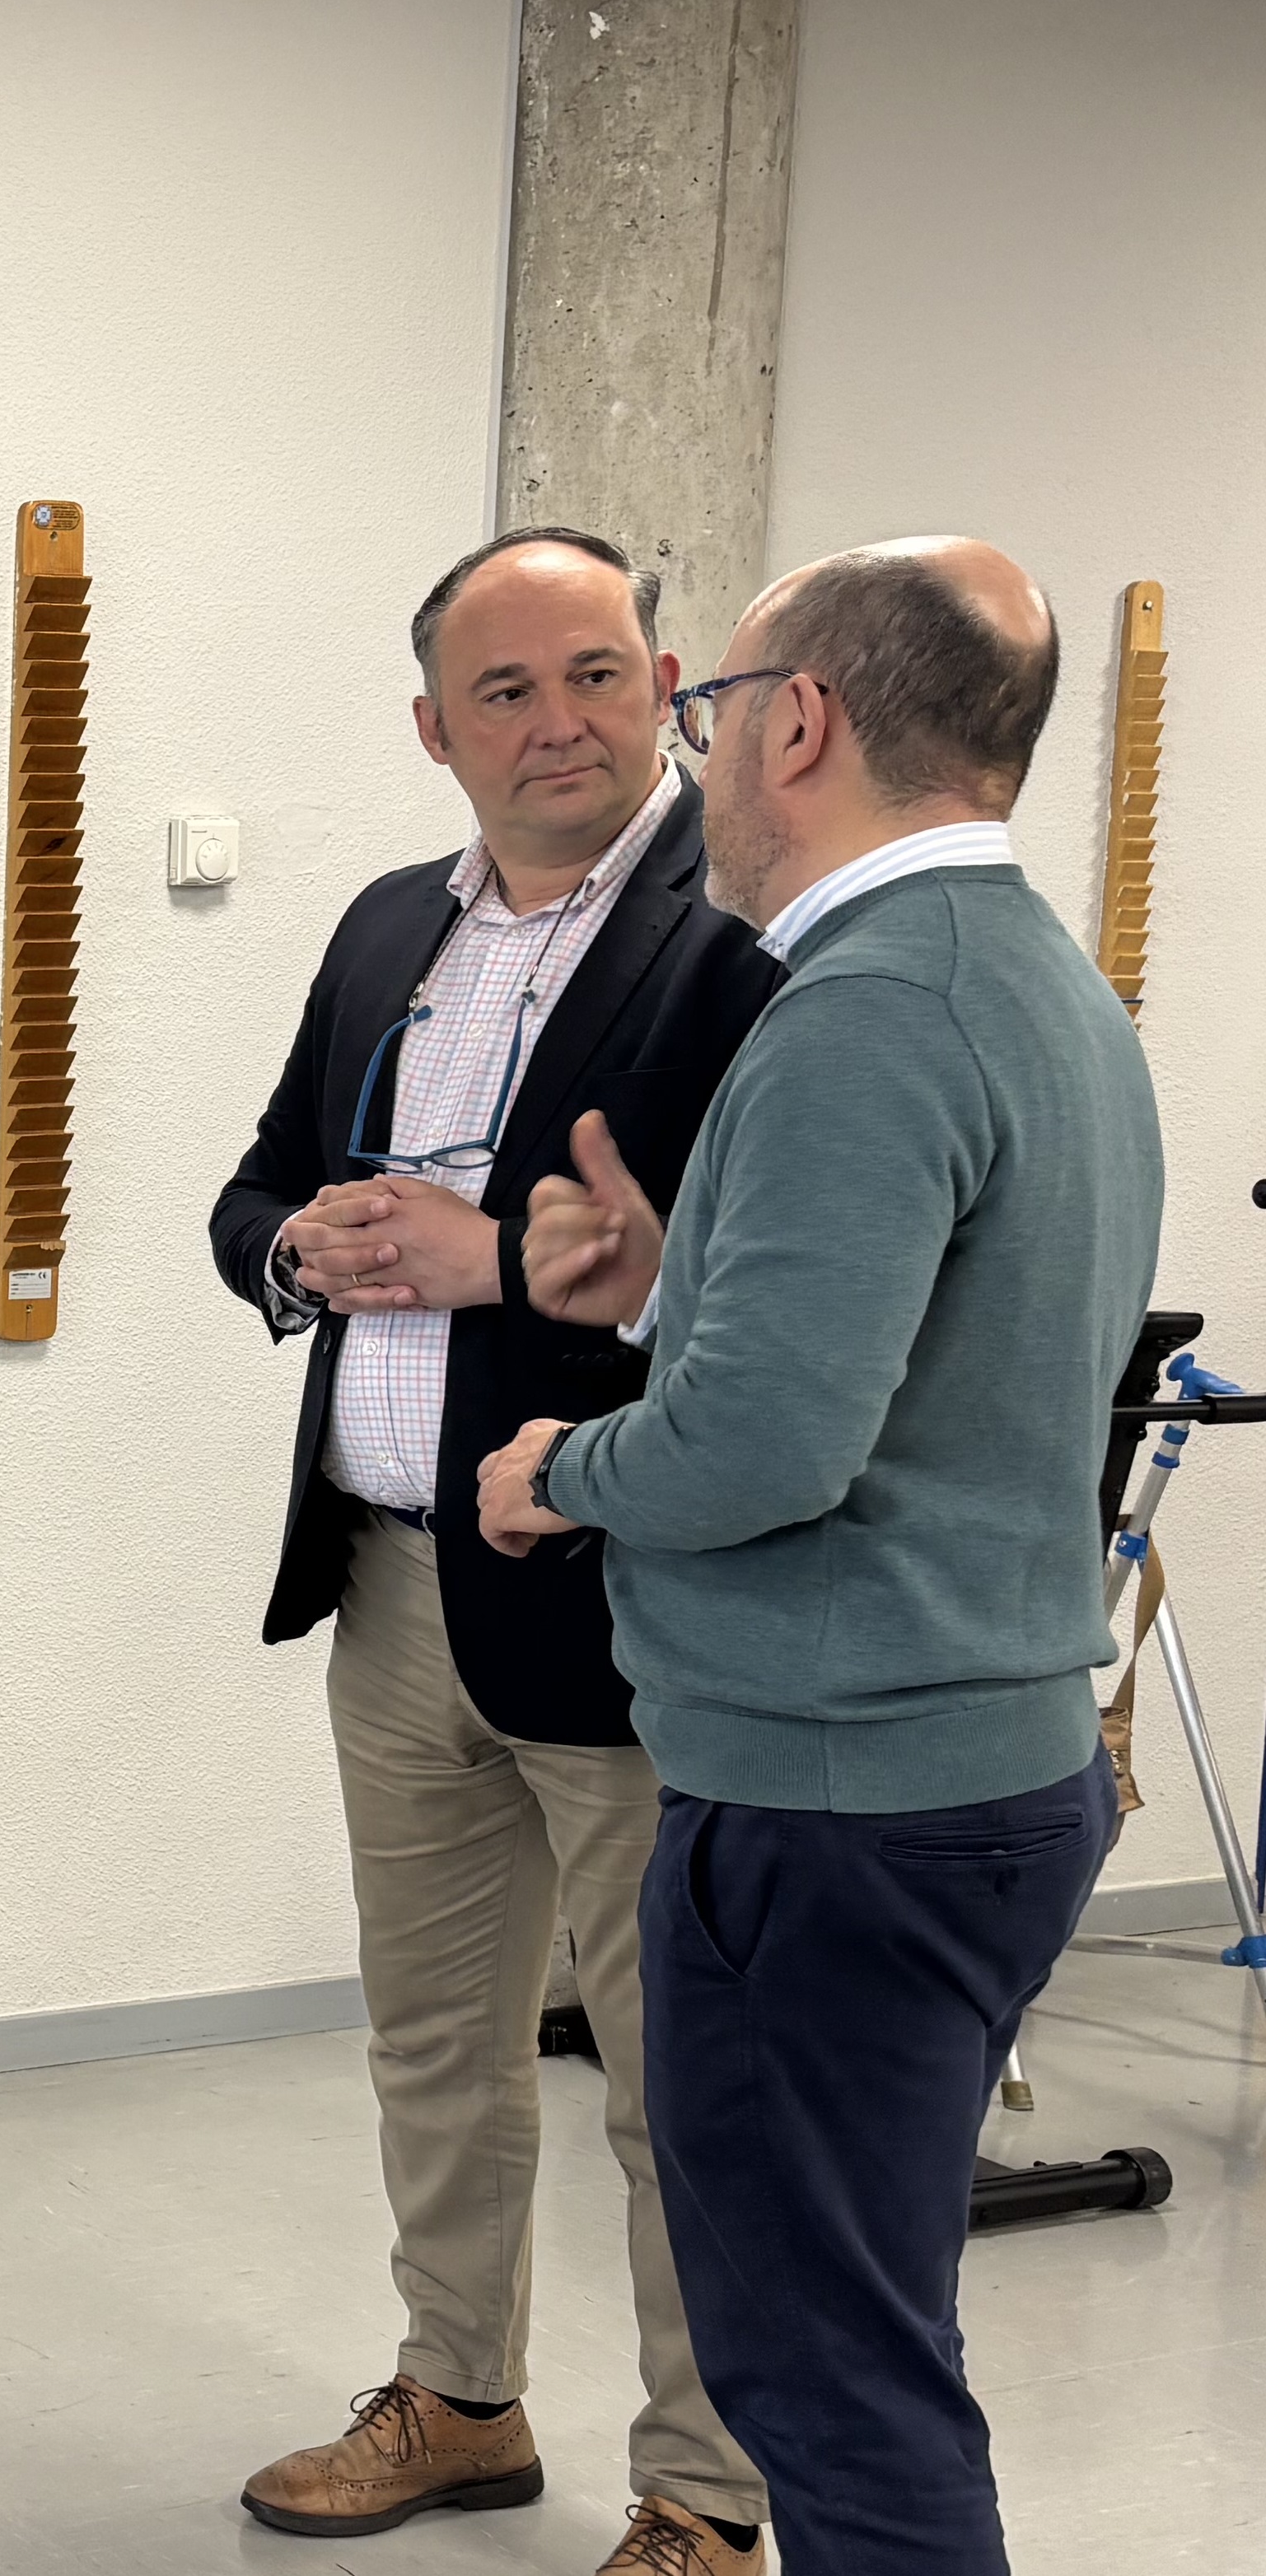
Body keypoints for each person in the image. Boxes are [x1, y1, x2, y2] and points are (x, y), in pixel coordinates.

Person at [480, 537, 1161, 2575]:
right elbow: (930, 1349)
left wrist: (562, 1461)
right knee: (863, 2338)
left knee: (825, 2385)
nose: (683, 756)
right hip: (973, 1773)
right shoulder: (1036, 984)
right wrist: (671, 1285)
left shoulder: (864, 1009)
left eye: (698, 710)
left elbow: (767, 1447)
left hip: (837, 1811)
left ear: (796, 723)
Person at [209, 529, 780, 2573]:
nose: (559, 722)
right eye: (508, 689)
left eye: (598, 673)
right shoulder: (390, 926)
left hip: (632, 1603)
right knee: (436, 2039)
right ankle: (459, 2392)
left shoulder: (745, 942)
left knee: (675, 2078)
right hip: (390, 1589)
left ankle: (707, 2493)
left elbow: (778, 1284)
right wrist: (295, 1248)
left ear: (666, 685)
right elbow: (254, 1184)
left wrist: (498, 1269)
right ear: (432, 727)